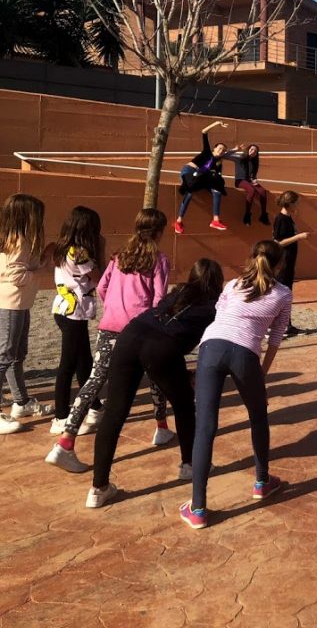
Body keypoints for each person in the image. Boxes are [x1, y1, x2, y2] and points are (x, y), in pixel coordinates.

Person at [87, 259, 224, 508]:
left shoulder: (177, 293)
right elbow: (209, 346)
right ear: (217, 282)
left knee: (114, 413)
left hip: (130, 335)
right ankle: (190, 464)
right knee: (184, 405)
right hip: (162, 347)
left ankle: (98, 488)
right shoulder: (213, 308)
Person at [46, 208, 171, 473]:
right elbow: (159, 299)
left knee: (94, 379)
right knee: (156, 375)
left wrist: (114, 308)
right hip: (140, 329)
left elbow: (102, 286)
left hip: (110, 327)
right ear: (159, 232)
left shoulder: (119, 257)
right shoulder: (158, 260)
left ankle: (65, 441)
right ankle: (161, 427)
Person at [181, 241, 292, 530]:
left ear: (251, 258)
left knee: (205, 426)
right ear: (280, 264)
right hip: (245, 353)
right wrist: (261, 374)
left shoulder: (232, 285)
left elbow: (219, 314)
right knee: (258, 416)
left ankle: (198, 508)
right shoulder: (283, 293)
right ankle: (262, 482)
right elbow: (276, 337)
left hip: (211, 348)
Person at [0, 194, 54, 434]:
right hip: (10, 302)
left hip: (20, 303)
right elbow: (16, 275)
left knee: (17, 354)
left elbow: (22, 269)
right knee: (5, 354)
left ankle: (21, 402)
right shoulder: (19, 241)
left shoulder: (17, 239)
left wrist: (43, 260)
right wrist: (40, 270)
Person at [50, 207, 104, 436]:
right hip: (73, 312)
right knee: (68, 365)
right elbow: (100, 277)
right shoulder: (79, 252)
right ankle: (61, 416)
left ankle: (94, 406)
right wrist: (101, 250)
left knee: (84, 361)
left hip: (66, 310)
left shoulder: (63, 247)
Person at [175, 120, 231, 234]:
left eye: (224, 150)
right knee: (189, 192)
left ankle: (215, 220)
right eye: (220, 148)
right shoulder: (207, 152)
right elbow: (204, 132)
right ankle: (179, 221)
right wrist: (217, 123)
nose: (221, 151)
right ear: (214, 149)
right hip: (189, 171)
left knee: (217, 191)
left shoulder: (218, 163)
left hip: (202, 177)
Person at [272, 190, 310, 337]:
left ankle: (286, 324)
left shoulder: (288, 218)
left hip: (289, 262)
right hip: (283, 262)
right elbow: (278, 242)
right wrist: (299, 237)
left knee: (287, 293)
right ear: (290, 203)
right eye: (296, 203)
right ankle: (279, 326)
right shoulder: (280, 219)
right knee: (282, 293)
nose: (298, 206)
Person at [226, 143, 270, 227]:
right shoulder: (240, 158)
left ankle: (263, 215)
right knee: (251, 190)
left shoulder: (254, 162)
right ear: (248, 150)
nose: (253, 152)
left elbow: (253, 175)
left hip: (249, 181)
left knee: (263, 191)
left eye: (255, 151)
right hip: (240, 180)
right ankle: (247, 215)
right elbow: (225, 156)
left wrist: (254, 180)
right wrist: (235, 149)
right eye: (251, 149)